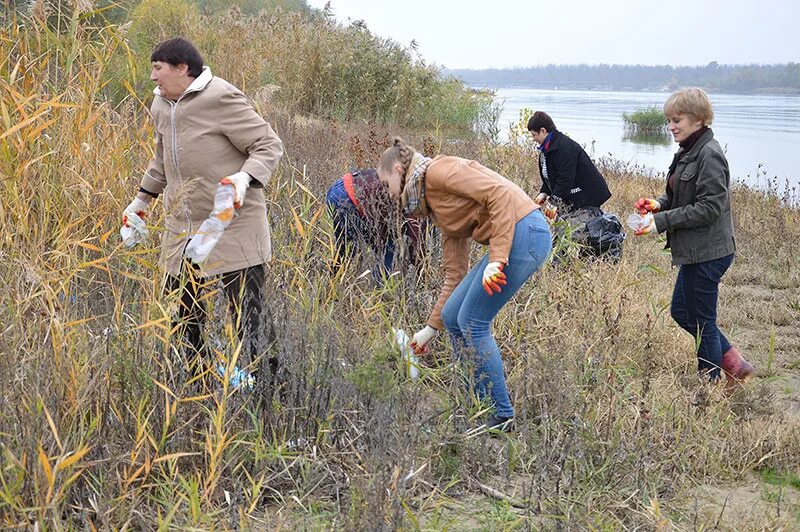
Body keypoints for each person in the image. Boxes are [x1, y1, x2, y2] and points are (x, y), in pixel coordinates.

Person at [119, 37, 284, 389]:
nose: (152, 77)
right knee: (184, 312)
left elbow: (268, 144)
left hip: (231, 224)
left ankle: (271, 391)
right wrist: (141, 202)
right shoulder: (162, 105)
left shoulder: (221, 97)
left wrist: (245, 176)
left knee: (246, 314)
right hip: (183, 226)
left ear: (183, 68)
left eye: (158, 68)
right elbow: (162, 160)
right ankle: (199, 382)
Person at [377, 138, 552, 431]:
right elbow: (454, 276)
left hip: (526, 231)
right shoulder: (433, 206)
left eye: (386, 185)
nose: (387, 194)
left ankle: (501, 415)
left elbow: (498, 194)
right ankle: (474, 404)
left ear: (397, 170)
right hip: (516, 234)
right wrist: (429, 330)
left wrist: (496, 259)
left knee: (473, 321)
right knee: (451, 316)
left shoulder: (439, 172)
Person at [633, 87, 754, 391]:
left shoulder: (709, 155)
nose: (671, 126)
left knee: (702, 322)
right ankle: (734, 365)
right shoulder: (689, 149)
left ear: (699, 119)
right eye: (669, 120)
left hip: (709, 252)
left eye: (678, 119)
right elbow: (679, 194)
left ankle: (708, 385)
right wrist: (659, 203)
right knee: (682, 312)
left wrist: (660, 222)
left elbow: (710, 207)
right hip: (695, 251)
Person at [325, 168, 425, 276]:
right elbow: (416, 242)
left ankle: (330, 283)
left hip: (340, 187)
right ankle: (379, 290)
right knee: (388, 249)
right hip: (348, 197)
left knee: (347, 250)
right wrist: (423, 275)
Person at [527, 111, 611, 216]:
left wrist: (553, 204)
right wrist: (543, 193)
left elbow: (565, 179)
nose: (533, 139)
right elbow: (552, 176)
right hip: (572, 195)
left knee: (580, 227)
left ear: (543, 131)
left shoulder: (565, 148)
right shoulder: (547, 149)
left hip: (587, 195)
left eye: (534, 135)